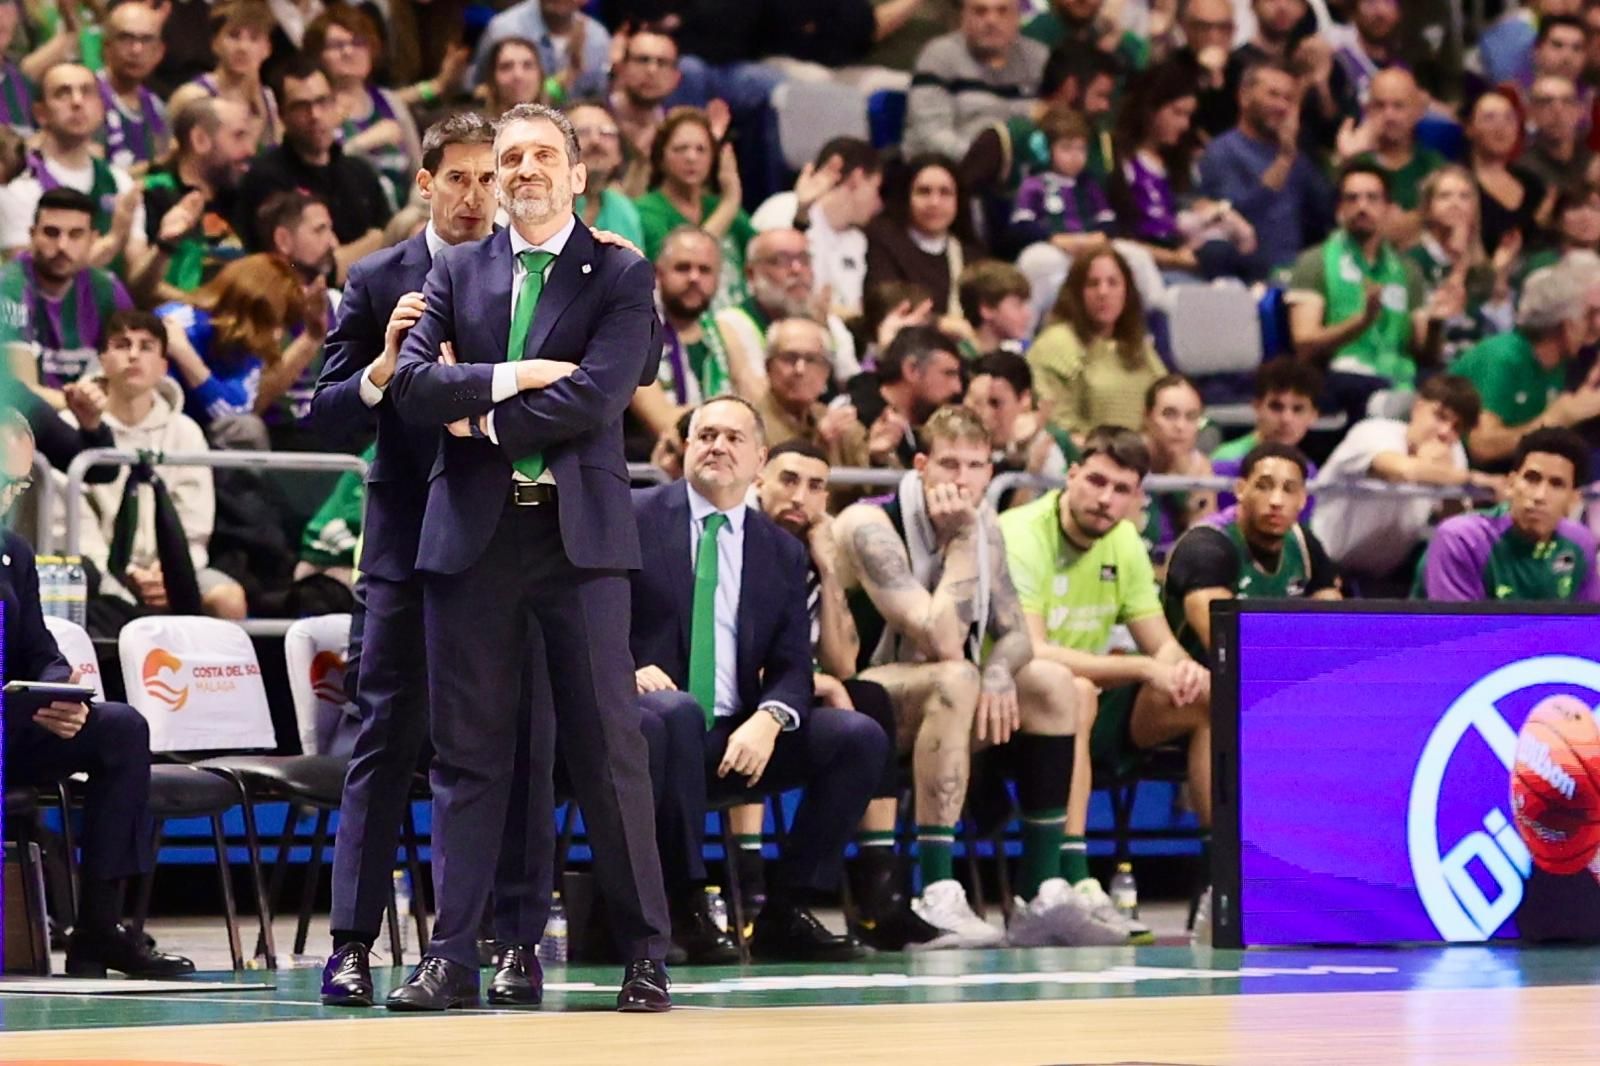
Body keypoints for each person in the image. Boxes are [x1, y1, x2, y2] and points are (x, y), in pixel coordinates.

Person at [386, 102, 671, 1013]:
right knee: (467, 758)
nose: (525, 170)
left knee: (606, 751)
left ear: (578, 174)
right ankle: (452, 956)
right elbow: (412, 386)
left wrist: (485, 420)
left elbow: (600, 394)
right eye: (511, 158)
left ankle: (645, 954)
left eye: (545, 155)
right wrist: (506, 379)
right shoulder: (457, 266)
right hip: (474, 539)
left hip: (576, 540)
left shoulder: (622, 274)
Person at [309, 111, 572, 1009]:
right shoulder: (377, 277)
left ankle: (516, 940)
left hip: (510, 543)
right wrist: (384, 369)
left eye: (488, 178)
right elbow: (324, 411)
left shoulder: (531, 273)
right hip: (403, 547)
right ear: (425, 184)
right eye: (456, 178)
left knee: (522, 743)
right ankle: (350, 942)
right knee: (383, 739)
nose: (474, 195)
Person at [833, 404, 1101, 949]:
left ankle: (1040, 890)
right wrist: (958, 544)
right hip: (856, 701)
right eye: (949, 464)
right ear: (922, 466)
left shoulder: (986, 528)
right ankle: (937, 889)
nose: (962, 479)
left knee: (1051, 683)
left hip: (942, 699)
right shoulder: (870, 524)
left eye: (976, 466)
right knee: (957, 675)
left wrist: (1001, 671)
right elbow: (941, 638)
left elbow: (1017, 632)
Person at [630, 397, 887, 963]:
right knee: (676, 712)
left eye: (733, 438)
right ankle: (686, 909)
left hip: (733, 735)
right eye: (706, 435)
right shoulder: (635, 515)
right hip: (643, 724)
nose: (717, 446)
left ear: (759, 460)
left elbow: (795, 666)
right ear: (688, 448)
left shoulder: (778, 550)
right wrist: (623, 667)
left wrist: (769, 719)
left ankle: (786, 911)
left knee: (857, 736)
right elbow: (583, 617)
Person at [0, 411, 195, 979]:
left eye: (19, 484)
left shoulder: (12, 550)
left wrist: (59, 692)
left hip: (12, 722)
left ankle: (100, 928)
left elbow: (39, 650)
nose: (11, 495)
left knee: (121, 727)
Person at [999, 426, 1206, 941]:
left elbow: (1160, 642)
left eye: (1121, 490)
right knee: (1075, 690)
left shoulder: (1124, 543)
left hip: (1094, 697)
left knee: (1206, 701)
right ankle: (1074, 878)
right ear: (1071, 476)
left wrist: (1184, 668)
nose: (1105, 499)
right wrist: (1141, 667)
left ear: (1137, 498)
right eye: (1095, 481)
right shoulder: (1021, 532)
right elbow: (1035, 649)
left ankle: (1218, 877)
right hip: (1009, 700)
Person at [1161, 443, 1342, 825]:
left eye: (1289, 489)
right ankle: (1221, 868)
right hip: (1178, 694)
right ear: (1240, 489)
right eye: (1264, 485)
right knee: (1222, 697)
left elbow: (1334, 632)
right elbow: (1224, 646)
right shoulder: (1207, 546)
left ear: (1303, 499)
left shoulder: (1305, 546)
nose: (1276, 500)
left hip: (1269, 690)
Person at [57, 309, 248, 620]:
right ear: (102, 360)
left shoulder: (185, 432)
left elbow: (194, 527)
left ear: (163, 366)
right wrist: (125, 575)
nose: (133, 355)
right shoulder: (71, 426)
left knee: (228, 599)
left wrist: (168, 573)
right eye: (121, 345)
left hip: (172, 570)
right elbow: (72, 529)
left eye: (146, 347)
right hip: (97, 572)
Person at [1312, 374, 1495, 588]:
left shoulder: (1454, 454)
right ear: (1417, 408)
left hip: (1383, 580)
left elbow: (1453, 523)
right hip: (1323, 567)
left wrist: (1446, 482)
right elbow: (1404, 471)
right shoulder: (1373, 431)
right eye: (1440, 416)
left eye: (1457, 428)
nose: (1445, 432)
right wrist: (1469, 478)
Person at [1286, 163, 1447, 406]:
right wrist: (1361, 321)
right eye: (1352, 199)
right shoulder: (1315, 262)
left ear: (1388, 209)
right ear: (1340, 209)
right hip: (1339, 375)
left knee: (1450, 387)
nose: (1362, 207)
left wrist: (1436, 322)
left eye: (1372, 198)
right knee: (1370, 388)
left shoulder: (1407, 271)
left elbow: (1425, 354)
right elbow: (1305, 345)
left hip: (1399, 372)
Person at [235, 54, 391, 280]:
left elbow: (392, 252)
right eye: (301, 106)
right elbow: (308, 272)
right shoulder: (265, 178)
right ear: (281, 115)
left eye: (322, 101)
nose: (315, 115)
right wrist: (373, 242)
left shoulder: (360, 172)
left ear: (335, 104)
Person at [0, 64, 150, 273]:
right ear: (40, 113)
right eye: (63, 93)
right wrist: (113, 240)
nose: (77, 102)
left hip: (113, 304)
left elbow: (137, 279)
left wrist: (165, 247)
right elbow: (27, 275)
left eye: (87, 92)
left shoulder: (120, 182)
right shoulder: (19, 183)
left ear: (101, 107)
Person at [1419, 427, 1599, 602]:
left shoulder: (1580, 543)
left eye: (1556, 484)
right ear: (1511, 483)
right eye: (1531, 479)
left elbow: (1588, 626)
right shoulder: (1461, 539)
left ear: (1573, 499)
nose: (1539, 496)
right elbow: (1457, 629)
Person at [1452, 261, 1600, 468]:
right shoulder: (1503, 356)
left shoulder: (1563, 361)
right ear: (1566, 325)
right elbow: (1482, 446)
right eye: (1588, 315)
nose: (1595, 325)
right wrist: (1556, 419)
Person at [155, 252, 318, 440]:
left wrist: (186, 356)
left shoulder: (249, 355)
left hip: (205, 447)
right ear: (248, 308)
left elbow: (236, 414)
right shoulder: (176, 324)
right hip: (158, 438)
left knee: (248, 429)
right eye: (273, 322)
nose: (278, 335)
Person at [1196, 59, 1330, 280]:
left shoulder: (1298, 158)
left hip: (1293, 271)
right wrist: (1283, 162)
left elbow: (1326, 212)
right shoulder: (1223, 151)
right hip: (1243, 274)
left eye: (1288, 98)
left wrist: (1345, 160)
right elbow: (1237, 213)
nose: (1281, 106)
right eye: (1273, 95)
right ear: (1244, 97)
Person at [1, 189, 133, 410]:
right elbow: (22, 392)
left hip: (94, 415)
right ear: (32, 235)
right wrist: (94, 407)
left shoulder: (107, 289)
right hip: (29, 424)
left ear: (93, 239)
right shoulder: (9, 288)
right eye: (51, 233)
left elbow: (133, 367)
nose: (62, 246)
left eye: (75, 234)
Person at [1028, 246, 1164, 439]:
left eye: (1113, 283)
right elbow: (1058, 427)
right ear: (1075, 292)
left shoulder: (1138, 345)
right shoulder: (1055, 345)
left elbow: (1167, 397)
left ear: (1127, 291)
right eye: (1092, 284)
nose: (1103, 292)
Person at [635, 107, 755, 313]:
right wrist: (730, 202)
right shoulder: (646, 210)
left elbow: (760, 254)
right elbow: (676, 263)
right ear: (661, 157)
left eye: (702, 149)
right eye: (680, 149)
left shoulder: (717, 206)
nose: (692, 157)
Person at [750, 138, 884, 321]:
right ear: (857, 178)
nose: (878, 204)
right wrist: (801, 212)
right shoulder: (785, 207)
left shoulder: (856, 240)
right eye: (876, 189)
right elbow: (772, 293)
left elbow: (852, 306)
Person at [305, 5, 423, 214]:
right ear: (317, 54)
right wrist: (363, 143)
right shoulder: (314, 109)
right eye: (336, 45)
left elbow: (420, 172)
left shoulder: (390, 103)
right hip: (347, 218)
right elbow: (315, 176)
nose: (348, 51)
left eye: (358, 42)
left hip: (405, 219)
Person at [714, 228, 859, 392]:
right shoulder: (733, 323)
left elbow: (854, 385)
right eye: (781, 261)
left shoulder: (829, 322)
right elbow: (758, 397)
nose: (796, 269)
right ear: (751, 274)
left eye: (804, 259)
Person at [904, 0, 1049, 159]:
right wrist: (985, 161)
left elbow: (1057, 122)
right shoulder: (938, 55)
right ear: (963, 16)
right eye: (980, 11)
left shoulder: (1039, 59)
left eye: (1002, 11)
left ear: (1017, 17)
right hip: (948, 169)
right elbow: (932, 135)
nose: (991, 20)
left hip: (1020, 171)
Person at [142, 97, 256, 293]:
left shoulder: (243, 193)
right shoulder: (154, 192)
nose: (250, 149)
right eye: (238, 136)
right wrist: (206, 307)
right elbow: (139, 286)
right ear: (200, 140)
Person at [1405, 165, 1518, 363]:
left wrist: (1498, 277)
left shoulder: (1482, 268)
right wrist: (1460, 265)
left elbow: (1502, 334)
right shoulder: (1412, 261)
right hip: (1435, 365)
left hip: (1480, 364)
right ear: (1427, 208)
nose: (1455, 204)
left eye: (1464, 197)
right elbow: (1421, 339)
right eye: (1445, 196)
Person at [631, 226, 728, 455]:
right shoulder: (631, 330)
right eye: (682, 268)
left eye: (705, 270)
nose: (694, 278)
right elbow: (666, 423)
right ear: (657, 273)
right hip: (648, 477)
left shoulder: (725, 333)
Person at [863, 154, 984, 319]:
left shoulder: (972, 255)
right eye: (924, 192)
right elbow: (885, 305)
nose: (934, 202)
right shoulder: (882, 241)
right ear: (906, 196)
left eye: (945, 193)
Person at [844, 324, 966, 468]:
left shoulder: (936, 428)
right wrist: (875, 459)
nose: (957, 388)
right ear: (912, 370)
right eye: (948, 374)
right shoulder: (849, 421)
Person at [166, 0, 281, 152]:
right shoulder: (191, 96)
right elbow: (166, 159)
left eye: (254, 38)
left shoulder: (267, 99)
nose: (243, 47)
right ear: (215, 43)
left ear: (267, 49)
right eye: (234, 36)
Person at [1004, 109, 1117, 261]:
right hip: (1052, 246)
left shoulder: (1088, 185)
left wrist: (1100, 236)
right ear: (1045, 150)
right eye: (1066, 148)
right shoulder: (1033, 185)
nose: (1075, 156)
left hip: (1091, 246)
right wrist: (1053, 239)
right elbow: (1022, 226)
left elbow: (1107, 220)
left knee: (1131, 253)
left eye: (1081, 149)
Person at [755, 317, 869, 467]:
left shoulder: (839, 423)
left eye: (811, 360)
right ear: (768, 366)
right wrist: (819, 446)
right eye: (790, 358)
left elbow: (871, 486)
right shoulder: (749, 425)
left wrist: (880, 457)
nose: (800, 369)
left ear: (827, 371)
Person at [1342, 69, 1445, 231]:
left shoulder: (1433, 164)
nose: (1389, 115)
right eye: (1380, 106)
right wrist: (1346, 160)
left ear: (1417, 111)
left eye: (1399, 106)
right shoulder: (1353, 162)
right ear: (1368, 110)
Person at [965, 351, 1068, 496]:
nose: (985, 415)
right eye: (977, 403)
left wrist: (1030, 470)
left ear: (1024, 400)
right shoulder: (955, 440)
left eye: (995, 403)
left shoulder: (1046, 454)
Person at [1140, 374, 1216, 566]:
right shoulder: (1125, 462)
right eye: (1169, 414)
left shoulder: (1200, 468)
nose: (1180, 426)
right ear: (1147, 417)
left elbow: (1202, 545)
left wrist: (1188, 494)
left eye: (1191, 417)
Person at [472, 0, 612, 103]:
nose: (518, 74)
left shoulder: (597, 38)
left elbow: (597, 100)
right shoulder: (504, 29)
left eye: (527, 66)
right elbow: (479, 90)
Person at [1467, 88, 1548, 258]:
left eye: (1509, 118)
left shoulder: (1532, 183)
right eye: (1489, 118)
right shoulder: (1458, 182)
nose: (1501, 127)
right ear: (1470, 128)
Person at [1210, 359, 1324, 476]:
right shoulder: (1225, 460)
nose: (1286, 419)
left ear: (1313, 416)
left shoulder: (1309, 471)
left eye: (1298, 409)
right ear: (1257, 407)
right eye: (1276, 407)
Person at [97, 0, 171, 173]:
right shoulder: (87, 98)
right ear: (106, 46)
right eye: (126, 38)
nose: (136, 49)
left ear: (159, 52)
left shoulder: (158, 109)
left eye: (146, 40)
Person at [609, 28, 681, 198]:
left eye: (662, 63)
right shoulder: (593, 117)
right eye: (642, 60)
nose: (651, 70)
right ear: (620, 68)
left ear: (676, 77)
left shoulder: (676, 129)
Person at [569, 101, 645, 249]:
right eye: (583, 132)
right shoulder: (546, 203)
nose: (595, 141)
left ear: (619, 154)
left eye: (606, 133)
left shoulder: (624, 210)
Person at [1522, 74, 1592, 191]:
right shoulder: (1520, 171)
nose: (1557, 111)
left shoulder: (1593, 164)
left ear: (1580, 111)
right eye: (1546, 102)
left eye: (1567, 101)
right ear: (1530, 112)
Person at [958, 260, 1036, 356]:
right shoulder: (959, 360)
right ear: (987, 309)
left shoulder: (1019, 354)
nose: (1027, 314)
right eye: (1017, 305)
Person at [480, 36, 549, 117]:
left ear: (540, 75)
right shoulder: (476, 128)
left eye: (527, 65)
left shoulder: (559, 128)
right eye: (506, 67)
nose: (518, 75)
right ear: (492, 77)